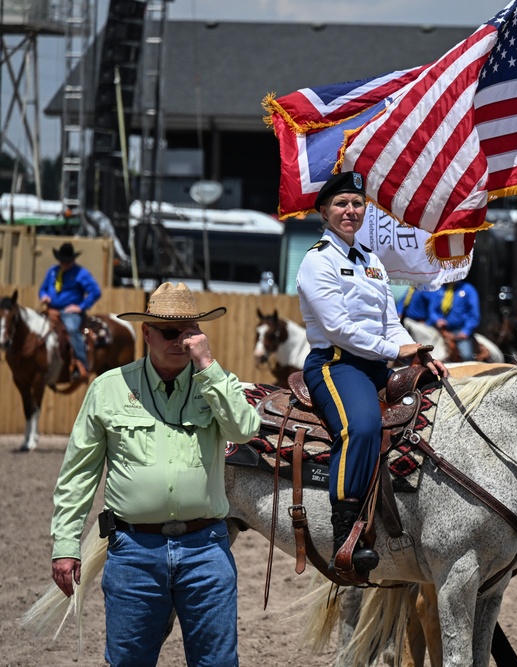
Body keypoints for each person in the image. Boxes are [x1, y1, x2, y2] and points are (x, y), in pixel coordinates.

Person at [49, 282, 261, 666]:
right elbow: (78, 473)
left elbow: (244, 430)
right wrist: (66, 544)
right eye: (169, 331)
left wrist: (208, 367)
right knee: (128, 661)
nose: (181, 340)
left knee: (217, 662)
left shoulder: (217, 382)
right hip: (133, 552)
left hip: (206, 548)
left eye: (189, 330)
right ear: (146, 332)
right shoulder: (108, 389)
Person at [296, 171, 448, 576]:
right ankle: (344, 532)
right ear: (324, 212)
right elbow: (338, 328)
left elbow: (391, 321)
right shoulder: (317, 260)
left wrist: (414, 355)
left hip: (377, 362)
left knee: (440, 405)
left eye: (356, 203)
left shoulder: (372, 262)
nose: (350, 210)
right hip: (336, 363)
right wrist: (394, 351)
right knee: (361, 427)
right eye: (341, 204)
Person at [38, 241, 102, 379]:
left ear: (72, 260)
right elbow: (42, 289)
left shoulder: (81, 273)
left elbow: (95, 292)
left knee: (73, 330)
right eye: (62, 261)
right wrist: (44, 297)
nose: (64, 264)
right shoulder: (52, 271)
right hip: (51, 310)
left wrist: (80, 307)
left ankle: (81, 363)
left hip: (70, 313)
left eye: (66, 261)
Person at [429, 279, 481, 362]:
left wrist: (466, 331)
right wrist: (437, 319)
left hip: (459, 331)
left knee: (466, 355)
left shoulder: (468, 289)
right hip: (442, 331)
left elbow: (474, 315)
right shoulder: (440, 289)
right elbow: (432, 311)